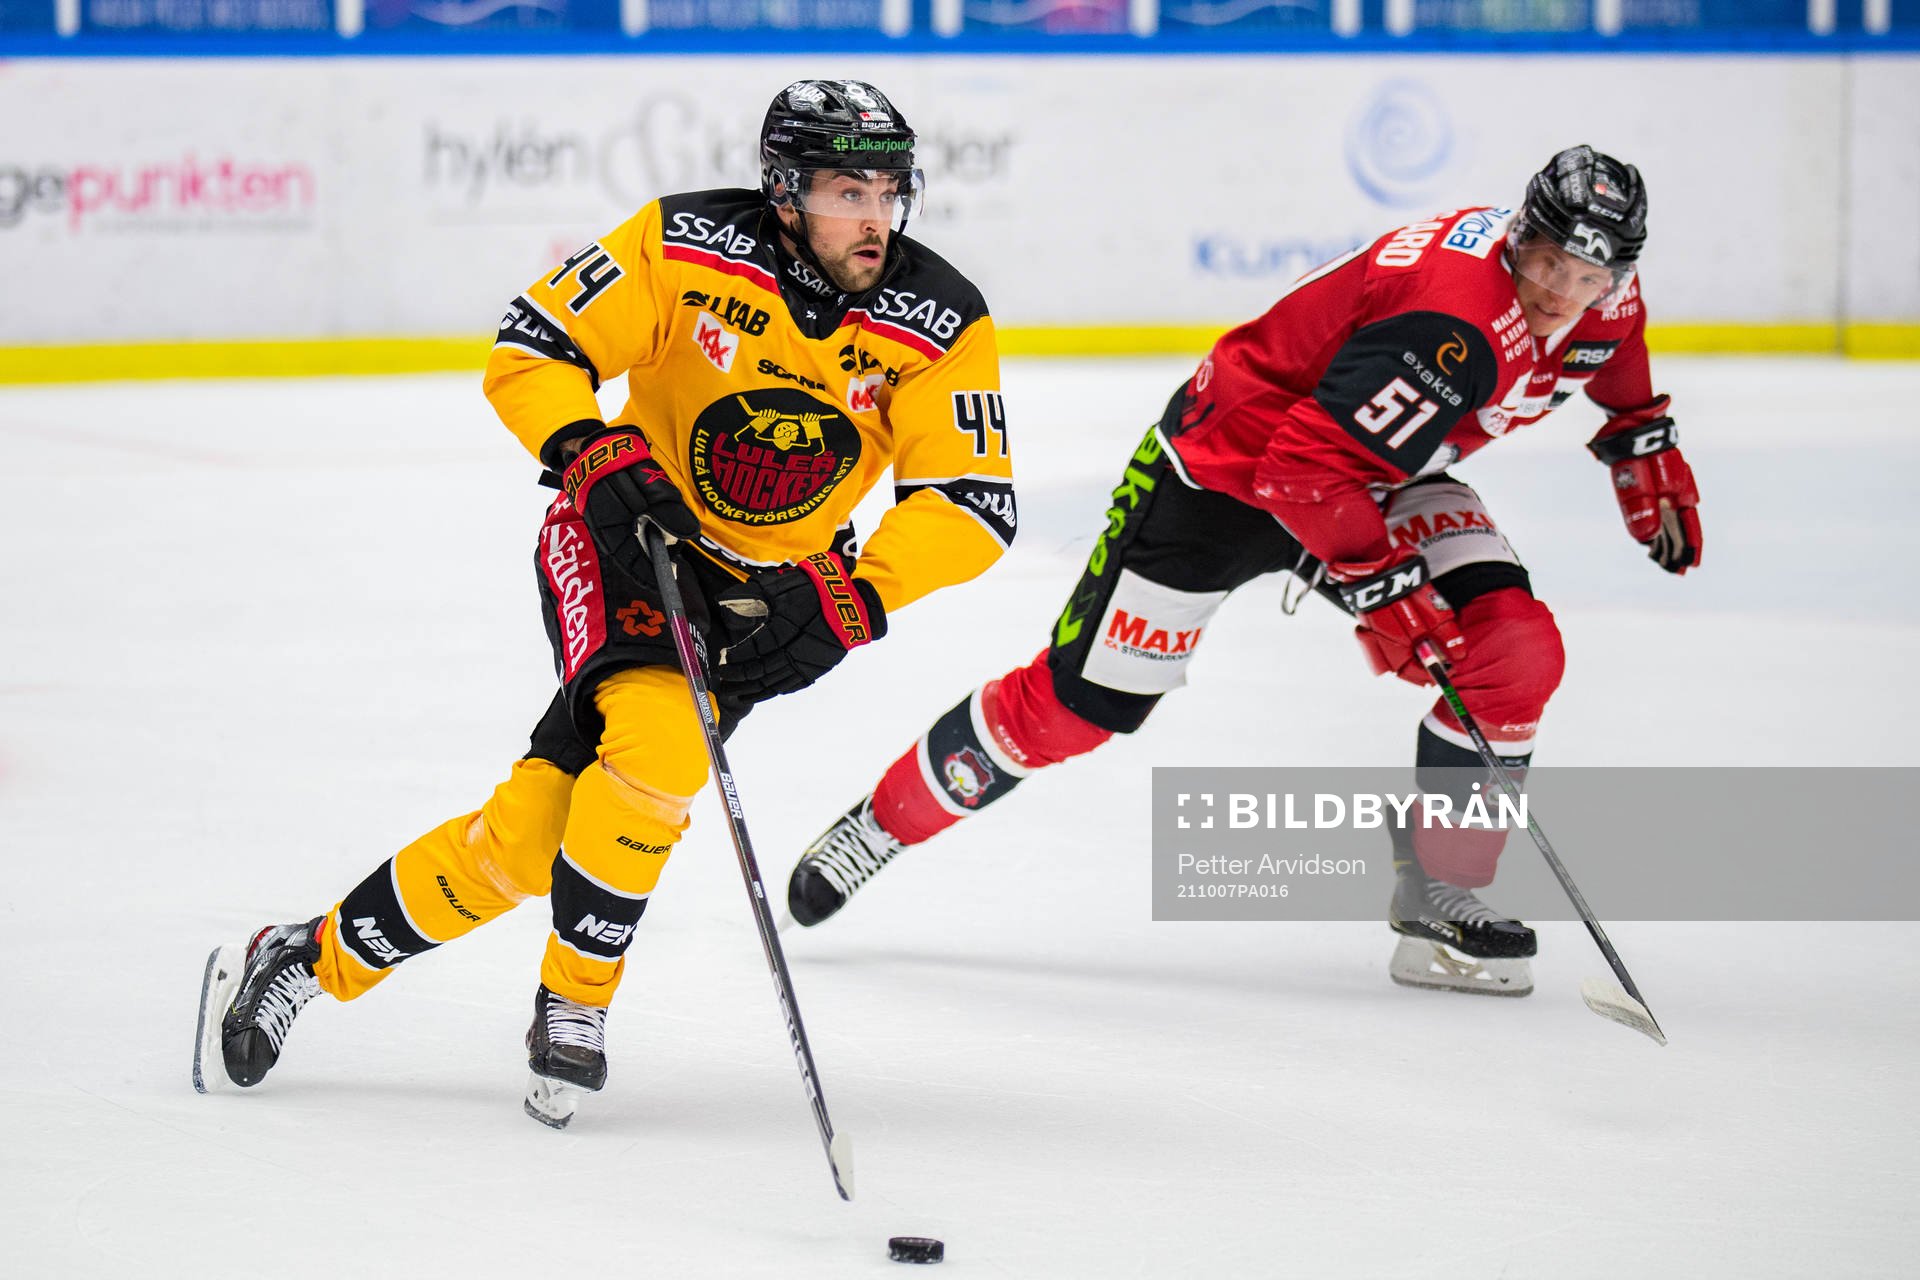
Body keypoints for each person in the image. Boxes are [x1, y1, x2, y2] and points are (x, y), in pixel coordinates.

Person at [193, 80, 1015, 1126]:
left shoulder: (940, 315)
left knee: (534, 836)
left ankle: (305, 955)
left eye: (889, 189)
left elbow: (972, 503)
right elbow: (533, 346)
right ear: (783, 190)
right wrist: (591, 450)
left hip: (769, 602)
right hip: (626, 540)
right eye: (846, 188)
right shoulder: (686, 244)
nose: (874, 215)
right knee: (665, 751)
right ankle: (574, 1004)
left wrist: (853, 596)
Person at [782, 145, 1701, 998]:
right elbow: (1298, 468)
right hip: (1220, 479)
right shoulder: (1455, 323)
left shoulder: (1602, 300)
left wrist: (1638, 439)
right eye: (1544, 264)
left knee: (1513, 652)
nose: (1558, 293)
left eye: (1585, 277)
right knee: (1081, 705)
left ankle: (1442, 896)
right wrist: (1386, 586)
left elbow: (1606, 350)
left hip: (1371, 472)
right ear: (1517, 238)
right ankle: (882, 824)